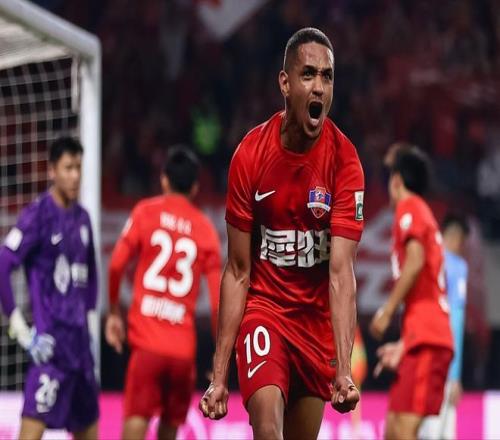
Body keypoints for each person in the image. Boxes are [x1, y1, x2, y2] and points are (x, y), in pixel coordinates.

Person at [200, 27, 365, 439]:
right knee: (268, 428)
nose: (319, 86)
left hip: (314, 328)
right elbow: (238, 271)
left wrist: (344, 370)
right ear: (285, 83)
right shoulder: (250, 155)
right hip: (265, 311)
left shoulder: (345, 163)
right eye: (308, 74)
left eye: (327, 76)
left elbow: (341, 273)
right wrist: (218, 375)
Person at [106, 146, 221, 440]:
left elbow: (116, 264)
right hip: (182, 352)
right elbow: (218, 302)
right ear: (195, 188)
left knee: (136, 419)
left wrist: (114, 312)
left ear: (164, 179)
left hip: (146, 347)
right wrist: (219, 357)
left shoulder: (145, 212)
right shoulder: (205, 229)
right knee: (169, 431)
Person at [0, 137, 99, 440]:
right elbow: (3, 263)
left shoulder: (83, 218)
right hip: (51, 351)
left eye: (79, 168)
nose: (75, 176)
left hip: (80, 352)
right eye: (68, 168)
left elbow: (90, 281)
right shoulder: (37, 215)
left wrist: (90, 330)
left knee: (89, 432)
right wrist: (20, 329)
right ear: (52, 170)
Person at [370, 143, 454, 440]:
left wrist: (386, 311)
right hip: (418, 338)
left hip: (429, 339)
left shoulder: (411, 207)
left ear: (396, 181)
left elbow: (416, 262)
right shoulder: (421, 211)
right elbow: (425, 287)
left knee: (405, 430)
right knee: (393, 429)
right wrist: (404, 344)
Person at [419, 213, 469, 440]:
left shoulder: (424, 261)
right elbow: (455, 321)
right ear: (455, 237)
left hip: (424, 358)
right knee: (442, 433)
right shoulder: (457, 267)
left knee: (426, 430)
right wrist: (455, 375)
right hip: (443, 363)